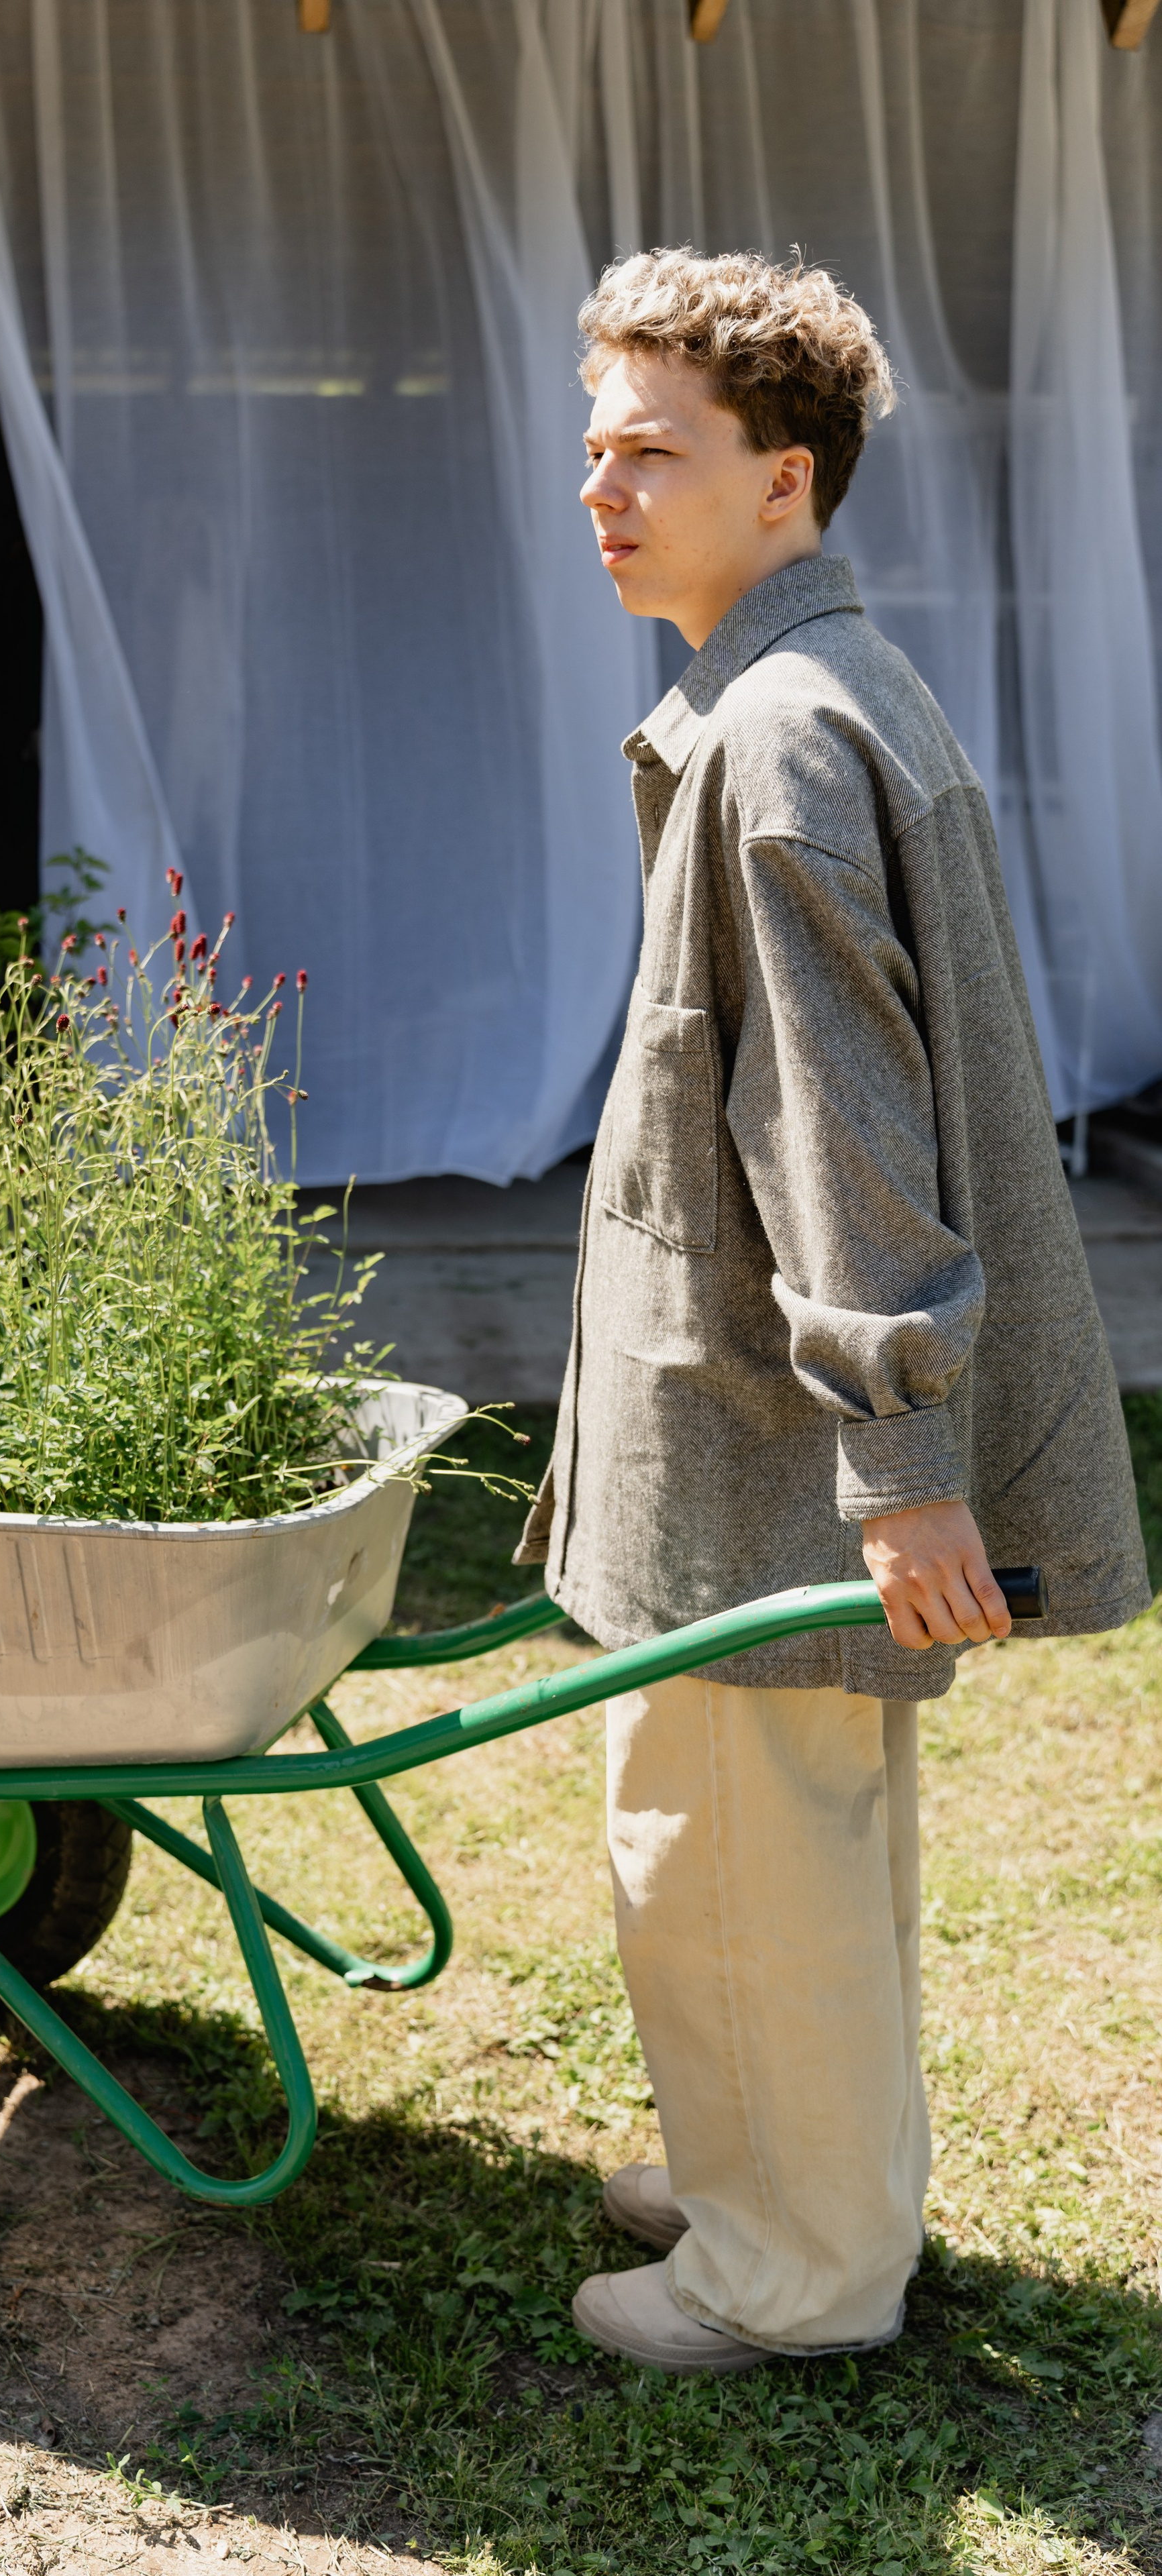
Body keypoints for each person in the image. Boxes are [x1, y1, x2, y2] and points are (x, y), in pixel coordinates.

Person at [517, 248, 1149, 2376]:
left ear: (785, 482)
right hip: (777, 1414)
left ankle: (786, 2273)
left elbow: (835, 1119)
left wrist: (899, 1457)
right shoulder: (802, 689)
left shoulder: (778, 741)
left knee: (726, 1825)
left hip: (771, 1429)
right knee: (806, 1825)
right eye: (592, 444)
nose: (599, 489)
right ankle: (783, 2171)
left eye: (652, 453)